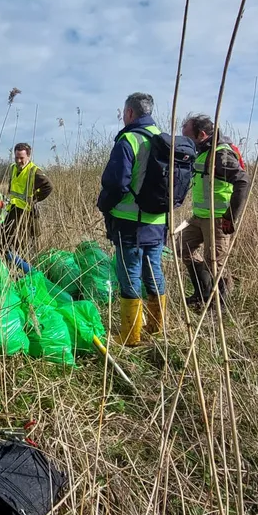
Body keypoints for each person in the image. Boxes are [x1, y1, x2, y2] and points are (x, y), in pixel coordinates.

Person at [97, 92, 166, 346]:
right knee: (154, 272)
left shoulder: (129, 139)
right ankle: (156, 328)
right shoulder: (163, 139)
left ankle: (130, 336)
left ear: (129, 113)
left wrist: (103, 205)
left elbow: (117, 184)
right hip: (158, 223)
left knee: (130, 275)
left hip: (130, 224)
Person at [180, 114, 251, 307]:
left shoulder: (220, 154)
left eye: (187, 135)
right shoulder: (203, 151)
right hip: (199, 217)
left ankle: (219, 306)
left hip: (218, 219)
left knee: (214, 263)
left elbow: (243, 182)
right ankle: (202, 293)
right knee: (183, 249)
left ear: (201, 134)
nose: (185, 140)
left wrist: (230, 216)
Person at [2, 143, 53, 258]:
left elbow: (48, 187)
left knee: (22, 244)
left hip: (26, 212)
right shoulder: (12, 168)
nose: (19, 160)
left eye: (22, 158)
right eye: (16, 157)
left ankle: (26, 269)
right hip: (13, 210)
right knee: (4, 239)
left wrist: (34, 199)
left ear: (28, 157)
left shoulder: (34, 171)